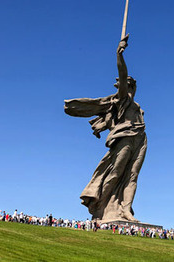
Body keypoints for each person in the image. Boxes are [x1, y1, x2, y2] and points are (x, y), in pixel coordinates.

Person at [64, 35, 147, 222]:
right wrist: (120, 54)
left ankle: (126, 210)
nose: (128, 88)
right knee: (116, 172)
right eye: (125, 85)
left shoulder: (137, 106)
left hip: (141, 138)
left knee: (133, 176)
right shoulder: (123, 99)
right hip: (125, 137)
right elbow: (123, 72)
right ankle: (99, 205)